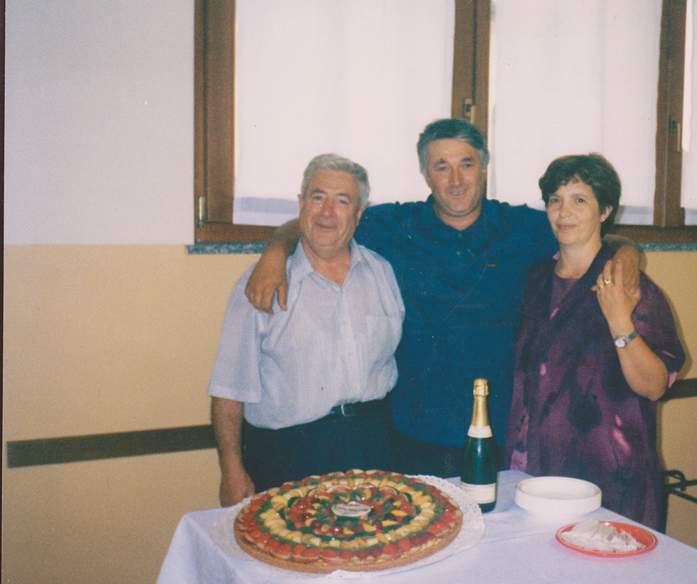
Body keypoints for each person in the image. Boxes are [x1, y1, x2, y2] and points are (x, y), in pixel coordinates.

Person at [245, 119, 641, 478]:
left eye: (467, 164)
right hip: (411, 434)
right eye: (441, 166)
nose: (456, 179)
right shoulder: (393, 225)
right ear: (425, 174)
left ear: (484, 168)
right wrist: (275, 253)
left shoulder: (522, 228)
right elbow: (320, 221)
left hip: (501, 429)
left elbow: (601, 234)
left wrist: (627, 257)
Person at [209, 154, 404, 507]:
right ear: (301, 205)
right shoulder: (257, 286)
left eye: (342, 201)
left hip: (372, 447)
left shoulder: (383, 274)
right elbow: (227, 388)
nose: (327, 212)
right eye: (317, 198)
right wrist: (231, 468)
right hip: (287, 455)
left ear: (359, 213)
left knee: (373, 552)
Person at [503, 154, 685, 528]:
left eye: (579, 199)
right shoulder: (535, 280)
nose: (563, 212)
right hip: (531, 473)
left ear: (605, 211)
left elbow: (653, 386)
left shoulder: (632, 287)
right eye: (555, 200)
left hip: (606, 481)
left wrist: (619, 320)